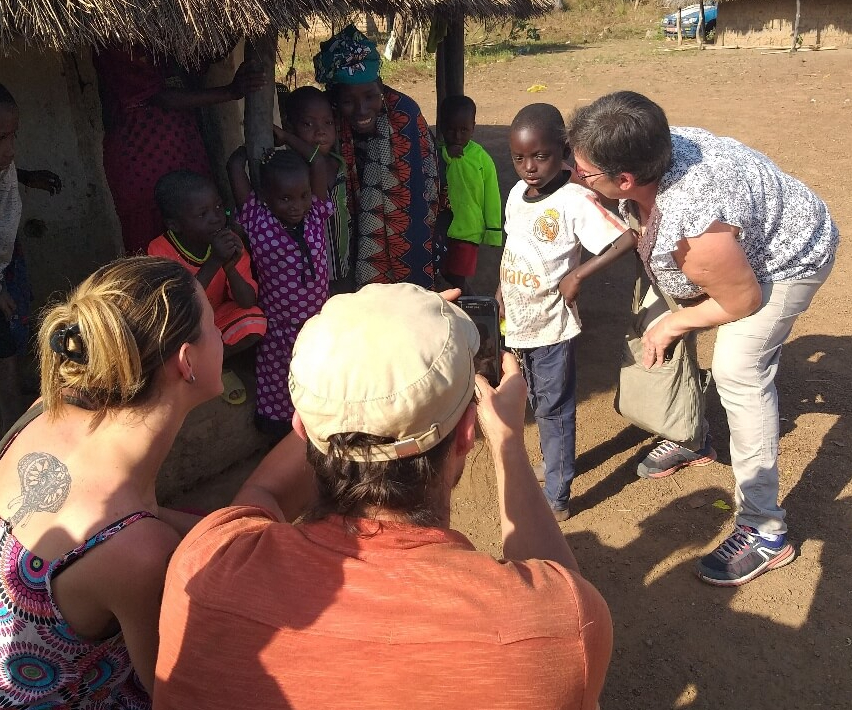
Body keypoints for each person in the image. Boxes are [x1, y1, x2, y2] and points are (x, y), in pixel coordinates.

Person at [154, 283, 613, 710]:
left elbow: (265, 492)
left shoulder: (207, 561)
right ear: (468, 434)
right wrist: (510, 445)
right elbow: (560, 583)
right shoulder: (557, 624)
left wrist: (361, 375)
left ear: (302, 427)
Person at [566, 90, 838, 586]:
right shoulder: (651, 155)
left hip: (786, 258)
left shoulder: (694, 227)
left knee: (738, 369)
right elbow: (663, 250)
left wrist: (674, 322)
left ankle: (764, 529)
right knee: (670, 310)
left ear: (625, 179)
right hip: (726, 244)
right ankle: (692, 433)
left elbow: (741, 301)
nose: (574, 177)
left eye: (584, 173)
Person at [0, 255, 224, 708]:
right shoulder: (138, 552)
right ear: (187, 362)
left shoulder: (50, 408)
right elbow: (172, 694)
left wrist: (219, 528)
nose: (220, 335)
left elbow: (133, 517)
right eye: (214, 324)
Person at [498, 104, 636, 521]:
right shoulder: (517, 194)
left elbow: (624, 239)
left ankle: (558, 492)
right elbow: (514, 245)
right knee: (537, 401)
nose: (529, 168)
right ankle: (553, 465)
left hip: (552, 326)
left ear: (563, 151)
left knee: (554, 407)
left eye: (539, 156)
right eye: (519, 159)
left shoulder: (577, 200)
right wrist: (500, 288)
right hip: (518, 322)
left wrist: (578, 275)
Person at [93, 46, 266, 254]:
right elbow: (160, 96)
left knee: (202, 221)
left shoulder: (165, 29)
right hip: (142, 155)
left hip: (184, 144)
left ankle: (209, 282)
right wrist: (231, 91)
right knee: (153, 242)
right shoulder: (118, 41)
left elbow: (198, 58)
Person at [313, 25, 441, 289]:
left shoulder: (404, 116)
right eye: (349, 101)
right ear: (335, 98)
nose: (361, 109)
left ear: (381, 86)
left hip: (403, 236)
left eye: (370, 96)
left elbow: (414, 200)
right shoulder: (327, 121)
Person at [227, 134, 331, 439]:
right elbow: (235, 166)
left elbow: (318, 161)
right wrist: (251, 146)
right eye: (285, 199)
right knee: (280, 379)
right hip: (280, 326)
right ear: (266, 196)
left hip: (317, 323)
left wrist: (285, 137)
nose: (296, 205)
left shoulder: (314, 213)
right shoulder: (257, 220)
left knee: (319, 375)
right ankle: (281, 436)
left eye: (302, 195)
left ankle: (320, 425)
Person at [148, 169, 267, 403]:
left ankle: (212, 367)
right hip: (183, 327)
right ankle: (196, 370)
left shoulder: (229, 242)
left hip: (214, 321)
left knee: (254, 321)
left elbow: (247, 301)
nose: (216, 217)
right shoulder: (160, 251)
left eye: (218, 207)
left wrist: (230, 266)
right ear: (175, 224)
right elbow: (178, 307)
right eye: (202, 214)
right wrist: (214, 261)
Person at [0, 80, 62, 429]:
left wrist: (26, 177)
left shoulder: (4, 168)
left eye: (12, 136)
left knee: (13, 330)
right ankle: (11, 425)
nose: (10, 150)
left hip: (5, 265)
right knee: (3, 349)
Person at [282, 86, 352, 295]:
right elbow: (316, 162)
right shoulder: (294, 174)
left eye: (327, 123)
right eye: (308, 123)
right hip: (311, 269)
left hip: (343, 259)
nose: (320, 131)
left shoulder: (340, 164)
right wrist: (285, 138)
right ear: (289, 127)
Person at [438, 94, 503, 293]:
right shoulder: (438, 153)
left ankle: (470, 306)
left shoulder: (482, 159)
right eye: (451, 130)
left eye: (464, 130)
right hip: (440, 228)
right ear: (441, 126)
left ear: (473, 127)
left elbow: (492, 197)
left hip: (469, 230)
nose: (458, 136)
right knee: (440, 269)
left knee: (457, 278)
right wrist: (447, 154)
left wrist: (493, 232)